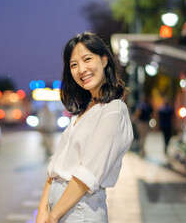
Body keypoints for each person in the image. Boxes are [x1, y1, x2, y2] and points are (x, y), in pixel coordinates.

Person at [36, 32, 133, 223]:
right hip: (60, 208)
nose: (81, 69)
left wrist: (53, 216)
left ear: (104, 60)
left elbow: (88, 173)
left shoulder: (113, 111)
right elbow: (56, 165)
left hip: (81, 211)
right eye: (74, 64)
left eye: (87, 59)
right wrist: (42, 209)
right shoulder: (83, 111)